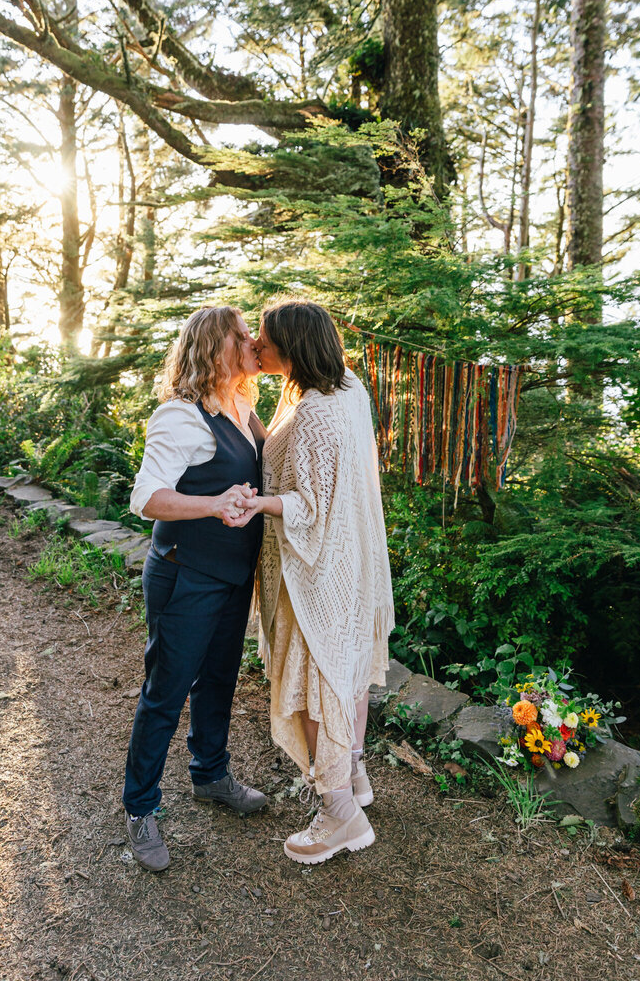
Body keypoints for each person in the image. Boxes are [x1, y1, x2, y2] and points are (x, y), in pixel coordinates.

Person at [227, 298, 394, 864]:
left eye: (265, 342)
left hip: (317, 568)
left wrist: (257, 504)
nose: (256, 348)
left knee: (313, 684)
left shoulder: (318, 413)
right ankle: (355, 774)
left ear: (292, 348)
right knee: (343, 671)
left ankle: (340, 814)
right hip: (350, 560)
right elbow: (288, 445)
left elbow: (311, 506)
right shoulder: (343, 387)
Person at [124, 306, 268, 872]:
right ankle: (140, 808)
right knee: (166, 690)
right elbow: (146, 498)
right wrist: (213, 505)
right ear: (217, 346)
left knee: (219, 681)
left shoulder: (241, 404)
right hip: (186, 574)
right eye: (242, 335)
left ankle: (210, 774)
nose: (253, 341)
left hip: (233, 576)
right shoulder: (179, 417)